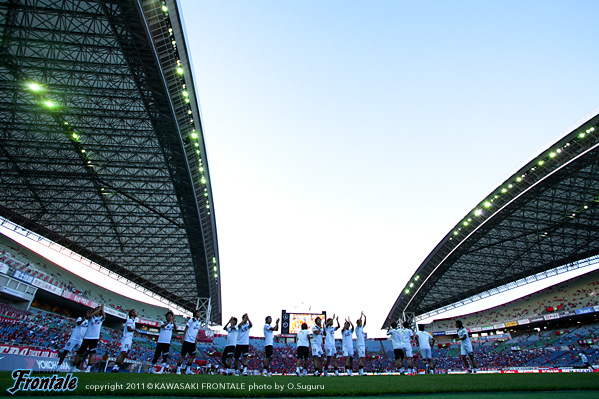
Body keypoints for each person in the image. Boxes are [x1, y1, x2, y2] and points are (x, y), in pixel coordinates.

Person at [71, 304, 105, 372]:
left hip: (95, 338)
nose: (98, 310)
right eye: (97, 309)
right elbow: (90, 316)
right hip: (87, 337)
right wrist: (98, 309)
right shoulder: (91, 317)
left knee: (92, 353)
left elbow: (104, 316)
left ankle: (88, 368)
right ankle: (74, 367)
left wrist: (102, 309)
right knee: (80, 353)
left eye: (99, 310)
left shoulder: (100, 319)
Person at [176, 309, 203, 375]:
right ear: (195, 313)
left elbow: (196, 331)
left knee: (193, 355)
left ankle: (188, 369)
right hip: (187, 340)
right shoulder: (191, 320)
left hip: (193, 341)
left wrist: (196, 339)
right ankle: (178, 369)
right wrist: (183, 337)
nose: (199, 313)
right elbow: (186, 328)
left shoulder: (199, 322)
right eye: (198, 312)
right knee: (183, 355)